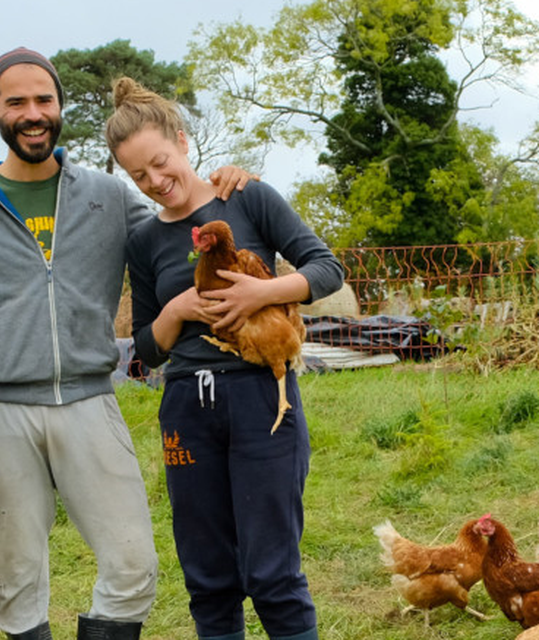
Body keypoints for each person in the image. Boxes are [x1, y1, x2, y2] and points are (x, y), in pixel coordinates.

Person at [0, 47, 253, 640]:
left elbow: (181, 212)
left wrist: (229, 184)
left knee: (133, 564)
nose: (33, 113)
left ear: (59, 107)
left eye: (44, 100)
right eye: (17, 102)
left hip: (88, 396)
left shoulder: (109, 196)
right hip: (1, 410)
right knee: (14, 577)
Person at [105, 77, 344, 640]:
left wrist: (264, 292)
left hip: (262, 394)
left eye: (161, 163)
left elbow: (326, 268)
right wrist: (180, 308)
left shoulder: (248, 199)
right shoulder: (143, 241)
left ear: (183, 142)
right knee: (208, 578)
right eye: (139, 176)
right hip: (187, 408)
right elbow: (143, 348)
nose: (156, 182)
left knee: (272, 574)